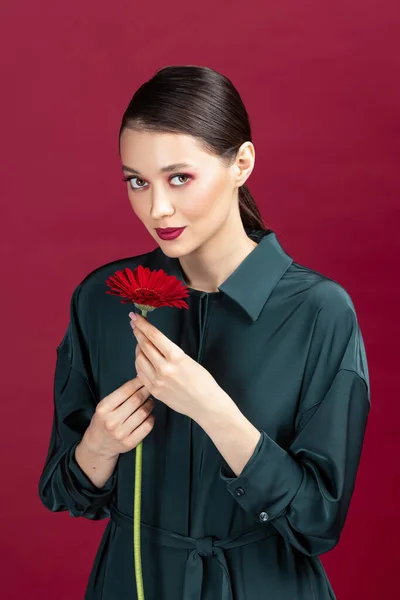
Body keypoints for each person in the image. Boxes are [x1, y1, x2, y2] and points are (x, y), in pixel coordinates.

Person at [38, 65, 370, 600]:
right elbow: (65, 491)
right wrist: (98, 445)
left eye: (179, 178)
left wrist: (211, 409)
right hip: (132, 581)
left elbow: (317, 521)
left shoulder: (319, 312)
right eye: (136, 181)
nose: (156, 208)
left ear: (241, 163)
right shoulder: (104, 298)